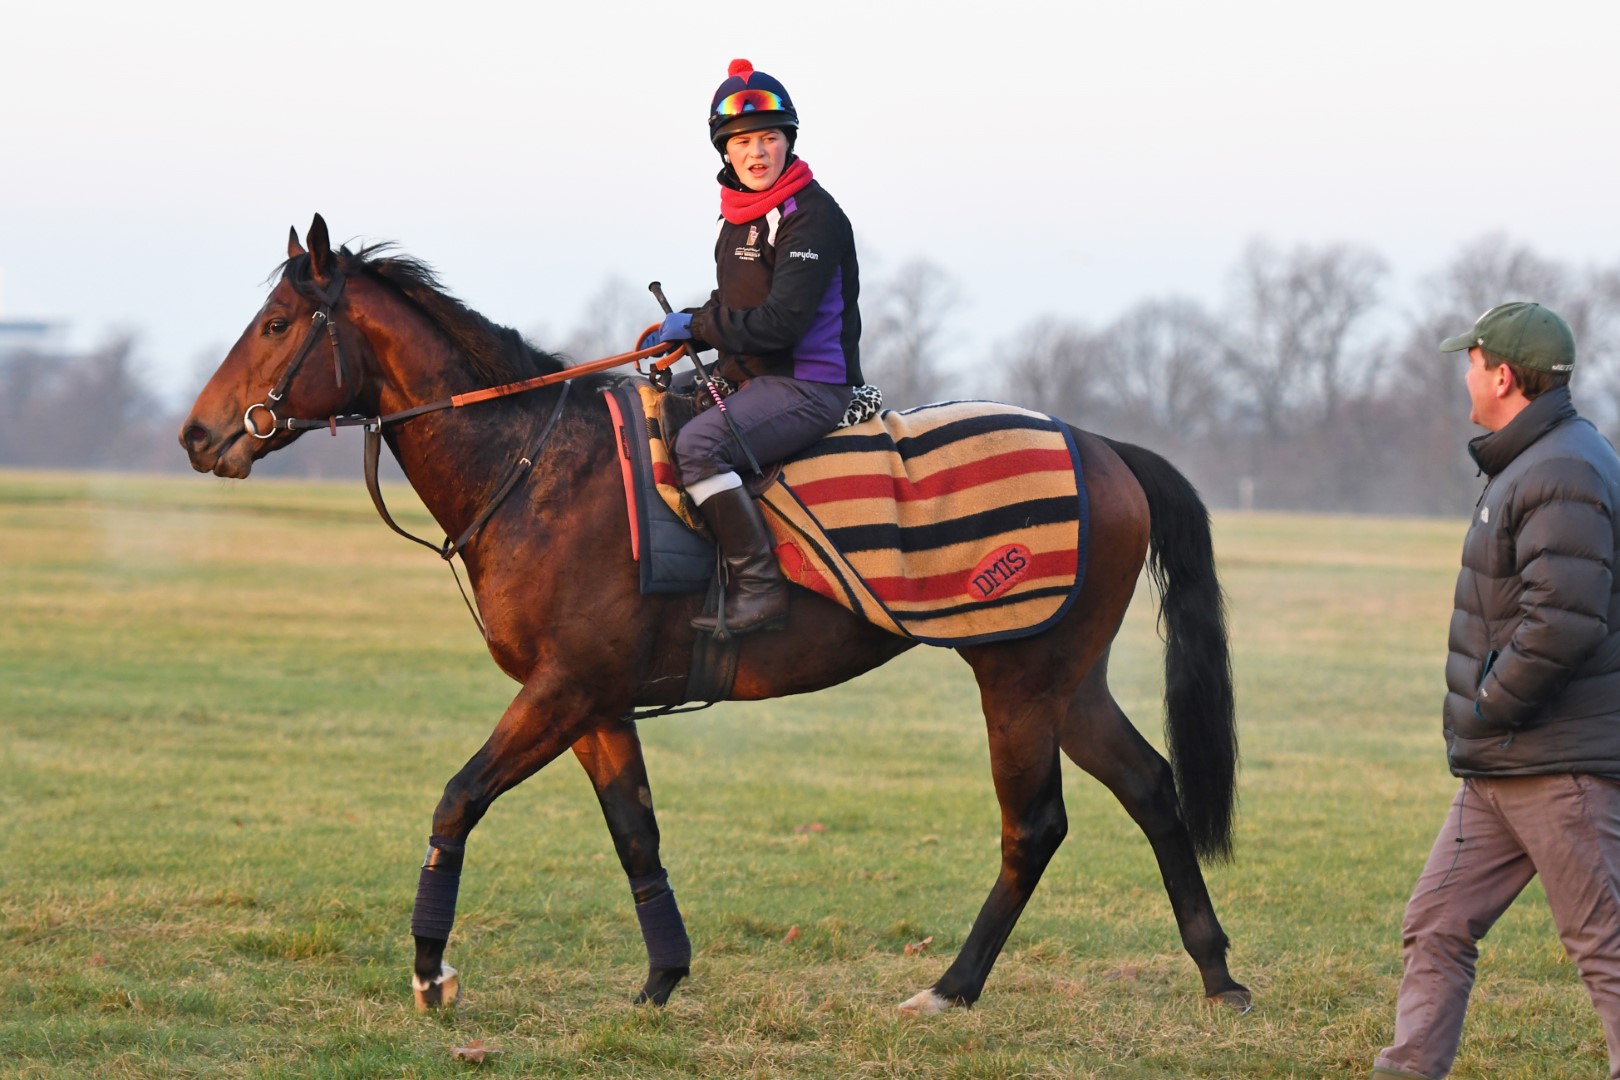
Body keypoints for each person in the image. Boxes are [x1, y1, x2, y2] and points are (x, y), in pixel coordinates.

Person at [1371, 302, 1620, 1080]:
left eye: (1471, 362)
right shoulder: (1532, 460)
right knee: (1438, 924)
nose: (1465, 378)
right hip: (1503, 766)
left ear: (1503, 374)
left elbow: (1563, 622)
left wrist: (1489, 701)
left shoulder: (1563, 468)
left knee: (1604, 945)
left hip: (1554, 762)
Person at [650, 58, 862, 636]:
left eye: (769, 138)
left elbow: (778, 326)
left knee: (697, 447)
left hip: (808, 386)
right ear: (725, 151)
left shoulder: (812, 216)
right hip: (754, 379)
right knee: (647, 405)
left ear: (788, 141)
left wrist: (699, 325)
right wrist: (694, 333)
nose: (757, 152)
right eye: (743, 141)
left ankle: (760, 585)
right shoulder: (738, 216)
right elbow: (734, 305)